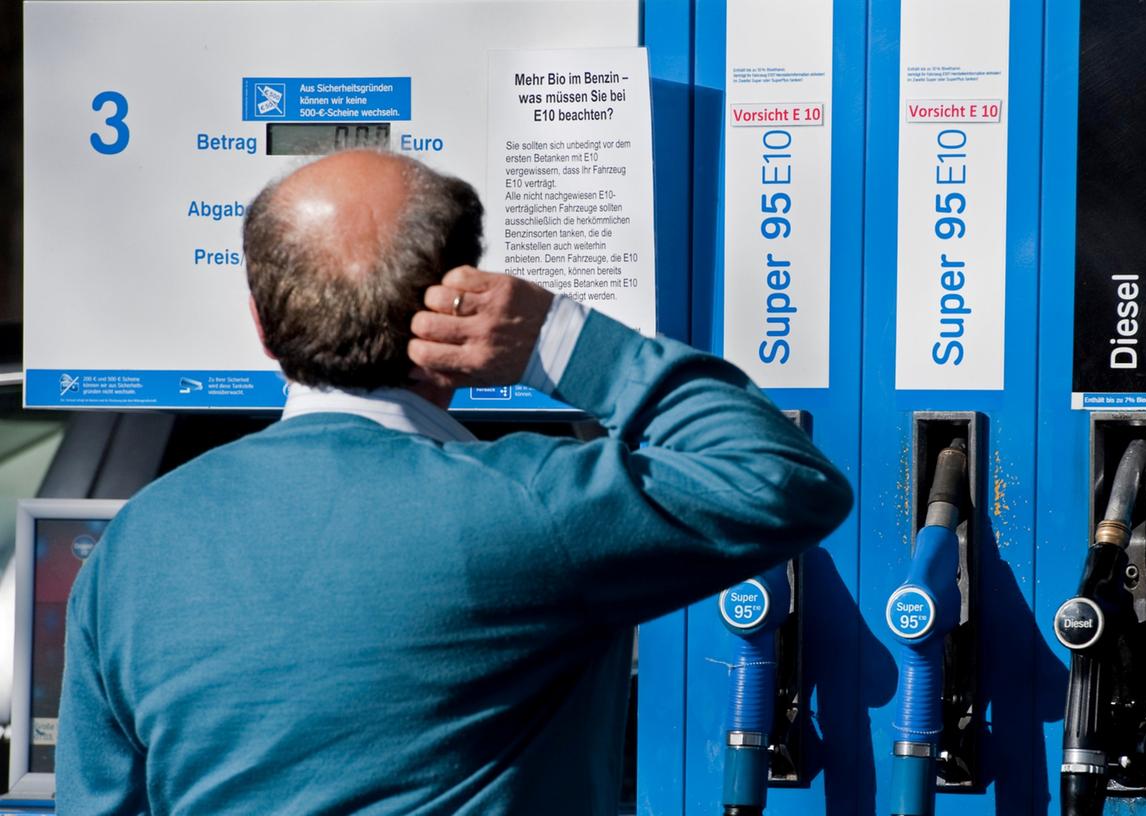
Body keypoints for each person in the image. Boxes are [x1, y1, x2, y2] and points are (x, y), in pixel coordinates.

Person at [55, 150, 852, 814]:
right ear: (461, 303)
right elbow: (778, 474)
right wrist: (561, 341)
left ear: (260, 324)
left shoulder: (133, 546)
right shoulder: (529, 506)